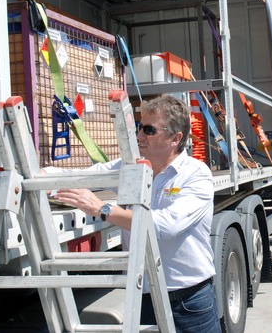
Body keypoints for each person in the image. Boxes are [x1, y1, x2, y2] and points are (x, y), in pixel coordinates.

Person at [48, 95, 222, 333]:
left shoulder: (196, 174)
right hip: (144, 297)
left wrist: (103, 209)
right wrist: (44, 177)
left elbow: (164, 226)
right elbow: (89, 174)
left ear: (175, 138)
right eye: (140, 127)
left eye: (149, 130)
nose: (139, 136)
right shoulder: (132, 168)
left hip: (187, 302)